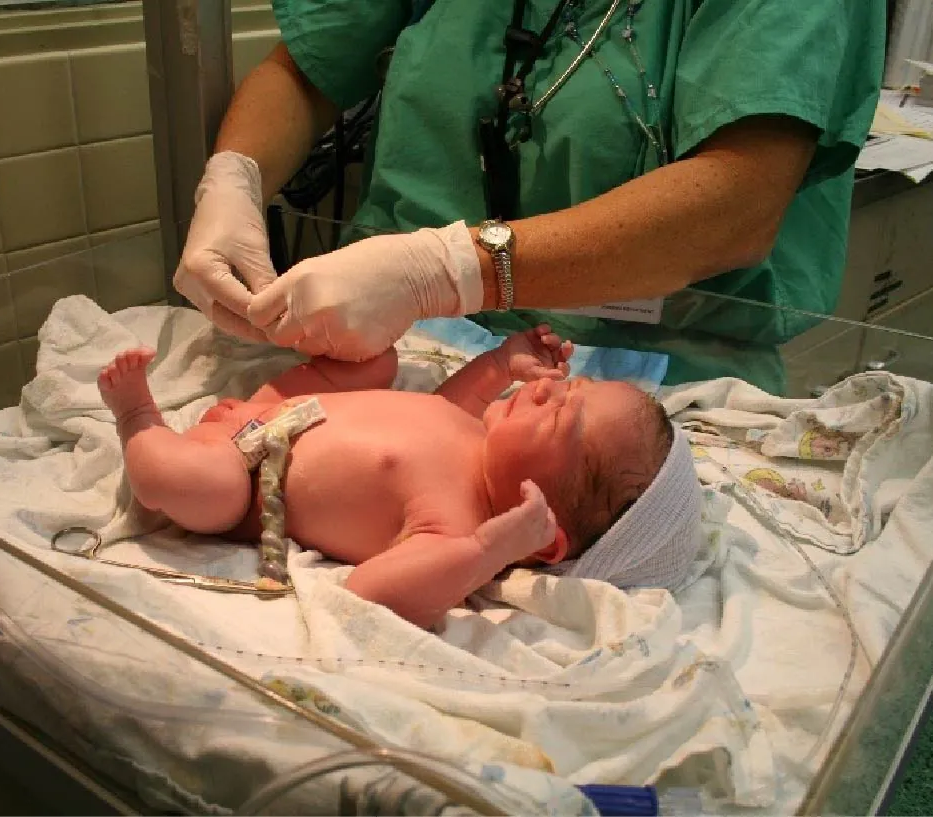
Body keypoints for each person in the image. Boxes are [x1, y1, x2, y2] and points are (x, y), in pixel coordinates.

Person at [171, 0, 885, 391]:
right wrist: (233, 178)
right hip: (389, 345)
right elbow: (307, 69)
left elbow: (736, 204)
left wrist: (447, 270)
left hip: (644, 374)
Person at [97, 325, 703, 629]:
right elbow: (439, 407)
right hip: (278, 405)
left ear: (543, 533)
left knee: (202, 491)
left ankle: (138, 423)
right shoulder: (477, 435)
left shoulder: (456, 530)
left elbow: (370, 591)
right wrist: (498, 364)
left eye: (562, 416)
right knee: (377, 360)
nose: (547, 388)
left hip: (244, 473)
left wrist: (487, 551)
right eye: (575, 385)